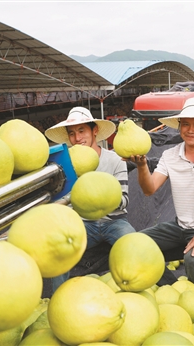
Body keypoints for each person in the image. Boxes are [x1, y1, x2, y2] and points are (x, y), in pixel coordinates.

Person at [128, 97, 194, 291]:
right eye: (185, 124)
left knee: (193, 260)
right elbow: (149, 188)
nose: (190, 130)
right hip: (180, 226)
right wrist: (142, 166)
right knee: (136, 244)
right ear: (179, 126)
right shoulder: (170, 155)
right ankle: (173, 288)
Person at [44, 106, 136, 292]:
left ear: (94, 131)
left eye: (81, 131)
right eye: (72, 133)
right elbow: (64, 203)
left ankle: (149, 289)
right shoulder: (65, 165)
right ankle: (58, 301)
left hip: (114, 222)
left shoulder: (115, 160)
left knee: (135, 247)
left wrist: (100, 196)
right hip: (83, 224)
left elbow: (124, 200)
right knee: (59, 254)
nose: (77, 138)